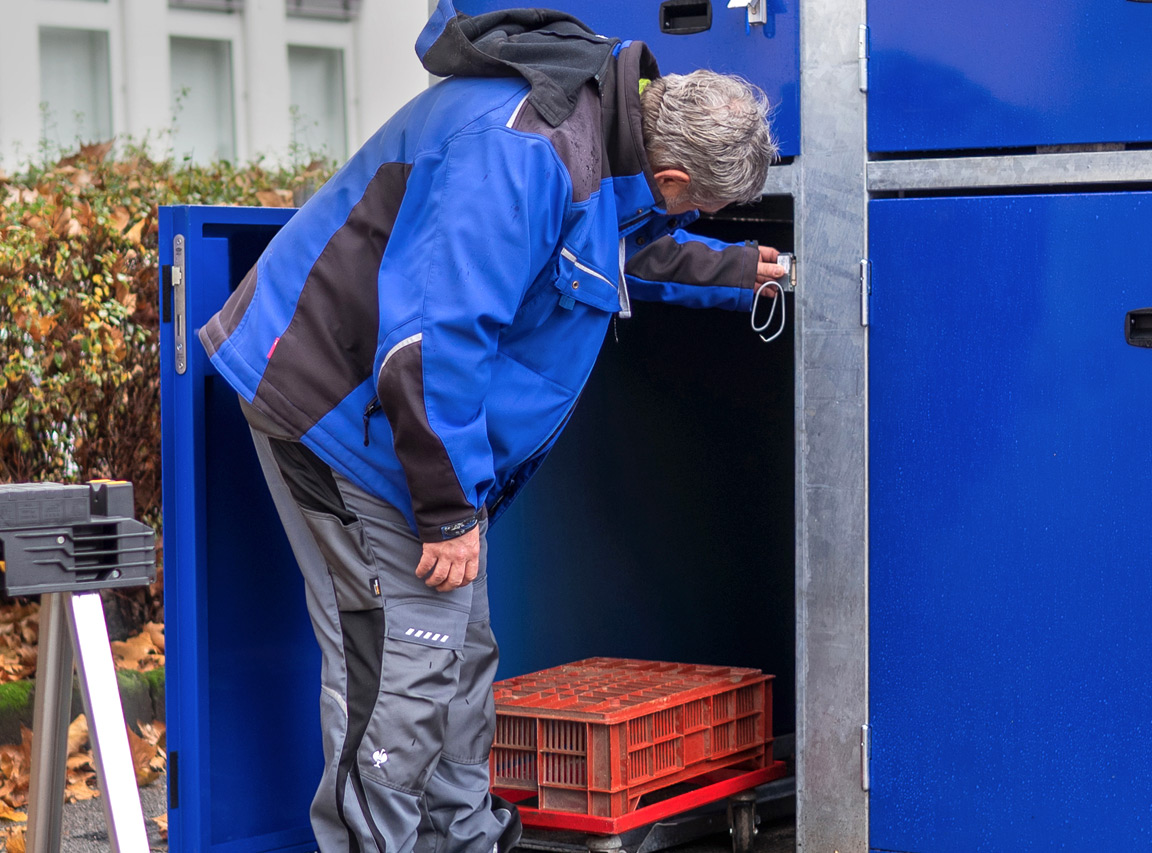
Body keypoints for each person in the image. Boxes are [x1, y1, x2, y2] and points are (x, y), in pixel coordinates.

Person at [197, 3, 785, 851]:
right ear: (676, 181)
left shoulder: (611, 122)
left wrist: (731, 271)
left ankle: (465, 839)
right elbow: (427, 343)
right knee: (403, 670)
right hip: (342, 409)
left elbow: (602, 239)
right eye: (704, 211)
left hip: (400, 417)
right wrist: (446, 510)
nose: (690, 221)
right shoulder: (524, 153)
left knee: (459, 654)